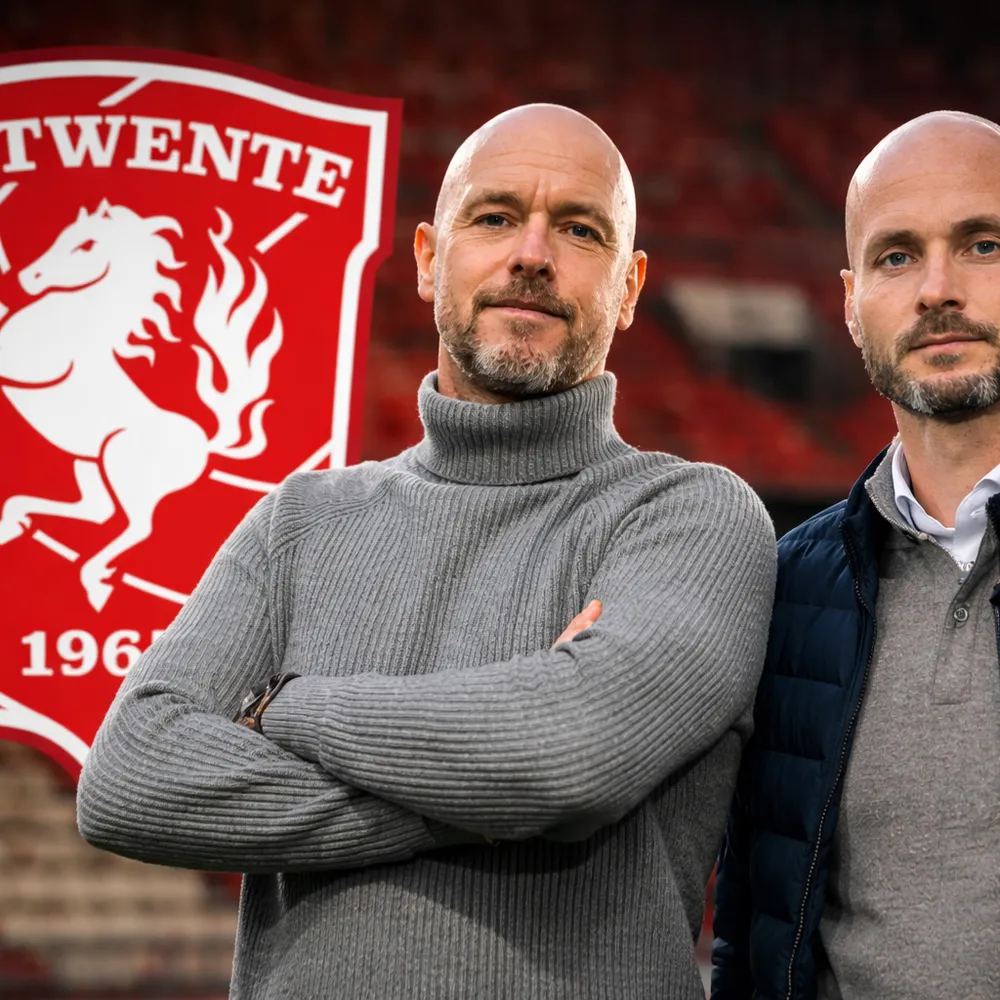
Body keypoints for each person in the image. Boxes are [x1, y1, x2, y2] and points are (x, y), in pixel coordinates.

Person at [77, 103, 776, 1000]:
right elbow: (129, 780)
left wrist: (283, 708)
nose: (532, 253)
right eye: (494, 217)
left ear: (631, 287)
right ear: (427, 258)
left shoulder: (692, 515)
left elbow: (563, 759)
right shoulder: (300, 520)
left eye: (579, 229)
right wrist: (488, 798)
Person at [712, 110, 1000, 1000]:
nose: (937, 289)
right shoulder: (788, 591)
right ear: (849, 302)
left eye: (983, 245)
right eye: (896, 256)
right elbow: (752, 931)